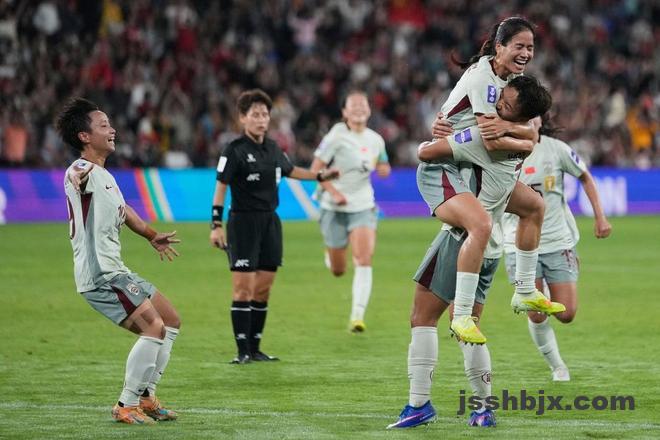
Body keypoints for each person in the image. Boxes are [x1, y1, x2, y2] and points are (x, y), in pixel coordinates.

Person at [388, 75, 553, 430]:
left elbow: (425, 153)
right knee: (469, 329)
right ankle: (483, 408)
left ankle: (418, 404)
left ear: (515, 114)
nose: (495, 103)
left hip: (462, 238)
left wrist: (439, 134)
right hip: (492, 246)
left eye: (504, 103)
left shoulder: (482, 138)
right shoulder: (523, 145)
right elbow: (531, 189)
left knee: (422, 317)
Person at [426, 16, 563, 345]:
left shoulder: (513, 80)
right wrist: (523, 139)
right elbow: (490, 139)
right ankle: (461, 315)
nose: (526, 53)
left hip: (477, 161)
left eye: (531, 47)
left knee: (534, 207)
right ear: (499, 47)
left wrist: (519, 133)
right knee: (480, 227)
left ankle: (525, 290)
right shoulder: (482, 78)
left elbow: (526, 132)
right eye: (519, 46)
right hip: (456, 160)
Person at [59, 98, 181, 425]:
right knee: (153, 327)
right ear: (85, 136)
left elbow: (125, 212)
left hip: (117, 270)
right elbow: (76, 176)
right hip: (100, 275)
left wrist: (151, 235)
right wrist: (79, 176)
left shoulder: (106, 177)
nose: (112, 130)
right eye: (103, 125)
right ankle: (125, 404)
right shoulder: (81, 170)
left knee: (170, 320)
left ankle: (147, 396)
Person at [209, 89, 338, 364]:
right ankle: (242, 352)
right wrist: (216, 225)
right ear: (243, 118)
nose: (261, 120)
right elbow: (220, 187)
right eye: (255, 115)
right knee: (243, 288)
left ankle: (255, 349)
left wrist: (319, 175)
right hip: (243, 223)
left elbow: (291, 170)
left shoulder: (273, 148)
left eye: (265, 115)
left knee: (263, 289)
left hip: (270, 223)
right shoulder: (233, 150)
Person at [501, 120, 612, 381]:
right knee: (536, 312)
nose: (530, 121)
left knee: (567, 314)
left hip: (557, 241)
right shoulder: (502, 151)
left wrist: (600, 217)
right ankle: (557, 366)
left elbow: (585, 176)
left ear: (540, 120)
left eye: (534, 116)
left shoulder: (556, 149)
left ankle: (553, 285)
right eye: (524, 117)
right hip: (517, 243)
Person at [310, 91, 391, 333]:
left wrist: (384, 169)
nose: (358, 108)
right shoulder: (335, 136)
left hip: (363, 205)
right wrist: (334, 192)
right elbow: (315, 169)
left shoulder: (376, 139)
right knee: (338, 270)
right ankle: (331, 253)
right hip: (333, 206)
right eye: (353, 105)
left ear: (369, 110)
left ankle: (357, 316)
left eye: (362, 104)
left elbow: (383, 162)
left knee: (364, 259)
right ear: (344, 112)